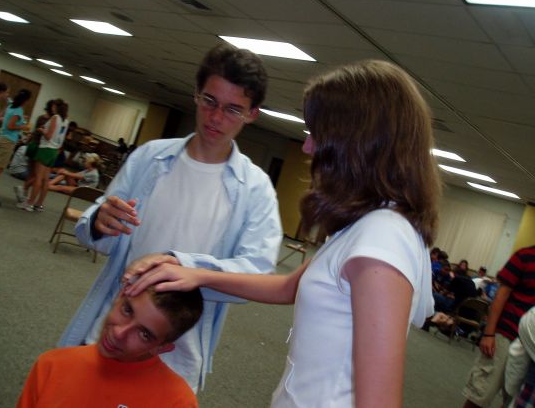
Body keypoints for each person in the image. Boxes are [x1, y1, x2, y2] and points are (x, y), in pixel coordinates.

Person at [123, 59, 441, 407]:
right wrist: (194, 274)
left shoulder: (382, 239)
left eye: (316, 133)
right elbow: (288, 286)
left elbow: (378, 402)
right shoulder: (366, 223)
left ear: (354, 142)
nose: (307, 147)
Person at [57, 43, 283, 392]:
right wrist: (99, 220)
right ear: (196, 94)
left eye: (233, 109)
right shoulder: (149, 158)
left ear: (252, 114)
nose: (216, 117)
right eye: (209, 101)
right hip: (112, 328)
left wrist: (182, 266)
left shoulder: (256, 189)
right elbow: (95, 233)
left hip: (178, 355)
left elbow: (257, 270)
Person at [17, 279, 203, 407]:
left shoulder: (178, 401)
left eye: (144, 334)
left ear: (161, 348)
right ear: (120, 295)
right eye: (127, 310)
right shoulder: (51, 364)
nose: (119, 332)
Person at [462, 246, 535, 408]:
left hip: (531, 347)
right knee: (481, 393)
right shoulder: (525, 256)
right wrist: (489, 334)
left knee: (514, 401)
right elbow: (501, 295)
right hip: (506, 335)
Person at [0, 89, 31, 207]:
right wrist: (23, 126)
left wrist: (21, 121)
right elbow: (11, 125)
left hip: (2, 137)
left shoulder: (11, 107)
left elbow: (5, 120)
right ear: (26, 100)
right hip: (7, 141)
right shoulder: (18, 110)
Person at [17, 99, 69, 212]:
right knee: (45, 179)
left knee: (38, 178)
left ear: (57, 107)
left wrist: (41, 130)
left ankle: (30, 203)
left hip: (46, 148)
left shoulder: (55, 118)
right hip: (54, 150)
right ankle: (39, 204)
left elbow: (48, 136)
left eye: (54, 106)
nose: (52, 108)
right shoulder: (66, 121)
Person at [14, 100, 55, 204]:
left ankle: (24, 192)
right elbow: (42, 133)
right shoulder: (49, 119)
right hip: (38, 146)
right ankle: (24, 190)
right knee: (36, 174)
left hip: (35, 145)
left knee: (33, 173)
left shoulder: (44, 118)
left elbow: (35, 132)